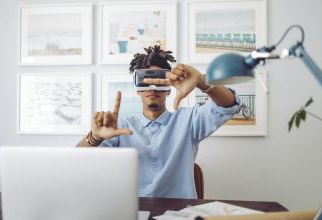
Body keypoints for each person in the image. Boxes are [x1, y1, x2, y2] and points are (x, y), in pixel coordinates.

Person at [77, 45, 241, 199]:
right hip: (134, 210)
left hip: (182, 212)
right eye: (146, 80)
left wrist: (201, 81)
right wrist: (95, 137)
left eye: (159, 80)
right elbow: (78, 160)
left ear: (169, 89)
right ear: (138, 89)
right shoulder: (120, 128)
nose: (153, 86)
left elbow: (229, 105)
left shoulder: (189, 121)